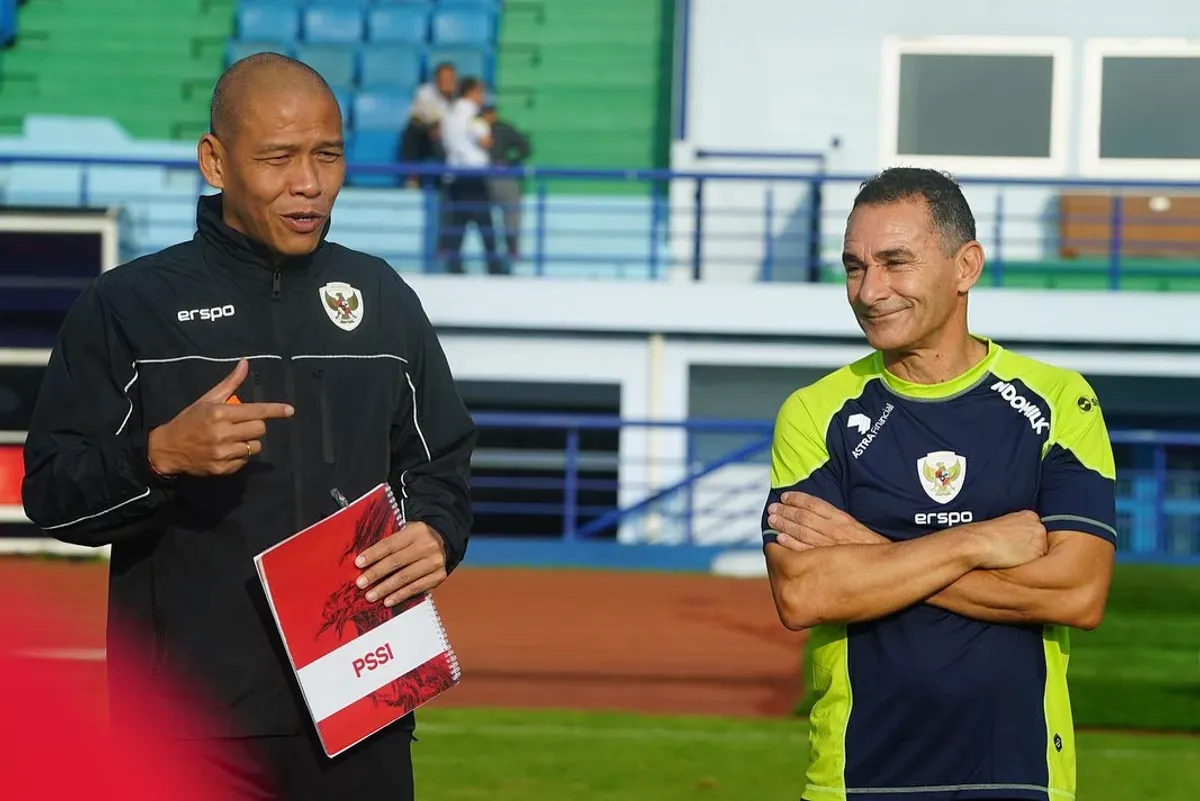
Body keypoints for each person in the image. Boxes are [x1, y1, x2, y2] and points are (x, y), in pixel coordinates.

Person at [20, 52, 477, 801]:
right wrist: (157, 456)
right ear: (215, 160)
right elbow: (51, 492)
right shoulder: (127, 305)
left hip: (362, 705)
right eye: (278, 158)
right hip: (183, 727)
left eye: (327, 155)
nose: (308, 182)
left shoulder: (383, 299)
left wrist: (434, 531)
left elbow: (441, 465)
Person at [759, 167, 1116, 801]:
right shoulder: (816, 412)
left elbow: (1077, 593)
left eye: (896, 262)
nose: (871, 291)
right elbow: (806, 593)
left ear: (965, 266)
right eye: (854, 267)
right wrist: (975, 543)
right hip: (857, 781)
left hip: (1021, 776)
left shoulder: (1060, 402)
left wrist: (872, 558)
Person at [437, 76, 506, 275]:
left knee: (458, 223)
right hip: (474, 176)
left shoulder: (449, 112)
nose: (482, 97)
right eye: (480, 92)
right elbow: (485, 141)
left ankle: (454, 267)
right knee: (486, 226)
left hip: (455, 175)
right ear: (472, 92)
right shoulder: (473, 115)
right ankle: (494, 268)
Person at [479, 103, 532, 261]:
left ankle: (511, 246)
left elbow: (525, 147)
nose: (488, 114)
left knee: (511, 207)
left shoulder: (503, 128)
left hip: (498, 173)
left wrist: (510, 162)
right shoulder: (472, 127)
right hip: (475, 175)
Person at [398, 61, 457, 188]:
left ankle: (450, 179)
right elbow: (421, 116)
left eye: (451, 79)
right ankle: (412, 178)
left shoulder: (459, 98)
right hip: (426, 136)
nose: (448, 82)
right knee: (412, 131)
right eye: (444, 79)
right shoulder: (425, 92)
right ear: (436, 80)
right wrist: (435, 127)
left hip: (449, 136)